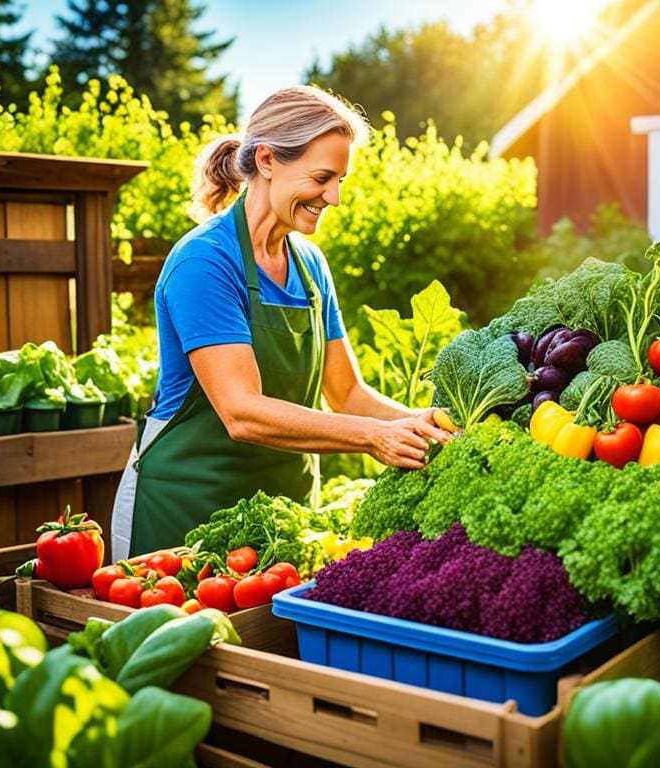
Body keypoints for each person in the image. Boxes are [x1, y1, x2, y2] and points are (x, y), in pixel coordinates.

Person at [111, 86, 450, 560]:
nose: (333, 196)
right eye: (322, 177)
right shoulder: (204, 262)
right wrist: (373, 437)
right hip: (181, 522)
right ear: (267, 160)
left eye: (340, 181)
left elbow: (346, 392)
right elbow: (242, 412)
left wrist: (418, 422)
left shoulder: (310, 265)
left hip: (280, 525)